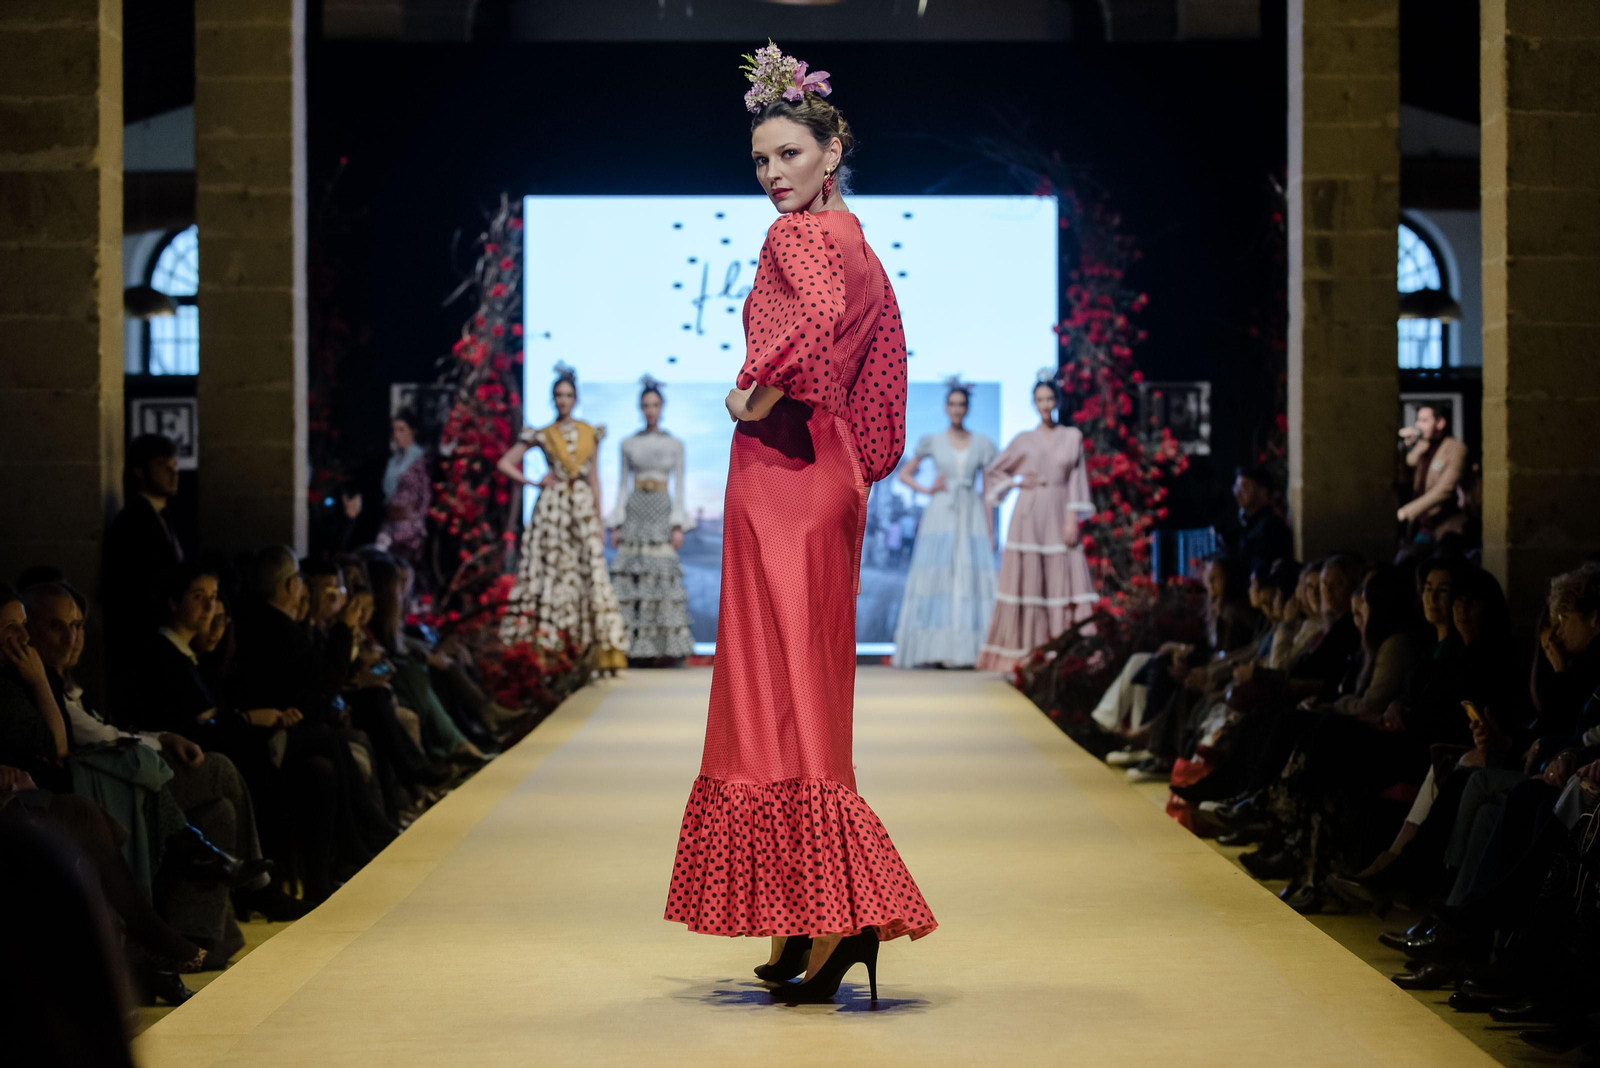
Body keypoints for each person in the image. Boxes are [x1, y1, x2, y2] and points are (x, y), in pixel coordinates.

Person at [663, 45, 935, 1005]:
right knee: (799, 693)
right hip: (826, 478)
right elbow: (886, 373)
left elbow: (811, 327)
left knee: (777, 697)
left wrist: (756, 395)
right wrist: (851, 455)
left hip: (784, 473)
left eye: (789, 154)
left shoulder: (800, 240)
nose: (773, 174)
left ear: (831, 151)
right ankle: (804, 909)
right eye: (760, 161)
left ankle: (836, 917)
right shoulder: (857, 241)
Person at [497, 364, 628, 672]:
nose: (563, 400)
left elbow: (594, 479)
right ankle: (550, 647)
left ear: (575, 398)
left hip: (581, 508)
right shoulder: (543, 433)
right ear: (553, 398)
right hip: (552, 511)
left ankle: (592, 651)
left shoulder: (589, 432)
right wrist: (534, 482)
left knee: (588, 572)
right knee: (551, 573)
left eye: (568, 395)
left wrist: (599, 520)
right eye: (558, 395)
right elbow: (506, 463)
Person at [975, 370, 1097, 671]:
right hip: (1028, 514)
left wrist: (1072, 518)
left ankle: (1064, 653)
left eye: (1049, 398)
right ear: (1033, 403)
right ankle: (1026, 654)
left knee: (1063, 576)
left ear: (1057, 401)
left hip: (1058, 510)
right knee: (1029, 580)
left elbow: (1076, 480)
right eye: (1040, 399)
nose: (1045, 404)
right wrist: (1016, 481)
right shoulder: (1023, 440)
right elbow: (993, 471)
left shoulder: (1071, 437)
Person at [892, 377, 998, 668]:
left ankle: (970, 651)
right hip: (940, 514)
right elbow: (904, 474)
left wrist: (990, 531)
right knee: (938, 575)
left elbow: (989, 490)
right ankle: (935, 649)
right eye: (952, 404)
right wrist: (927, 490)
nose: (956, 409)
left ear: (967, 408)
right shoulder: (934, 441)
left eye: (961, 404)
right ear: (945, 407)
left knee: (968, 576)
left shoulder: (982, 443)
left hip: (971, 513)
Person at [605, 376, 695, 662]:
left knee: (661, 576)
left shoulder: (675, 444)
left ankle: (663, 650)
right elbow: (622, 484)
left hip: (661, 508)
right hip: (635, 509)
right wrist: (618, 522)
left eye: (655, 404)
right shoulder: (628, 443)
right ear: (640, 407)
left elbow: (680, 485)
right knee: (633, 577)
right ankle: (632, 648)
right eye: (646, 405)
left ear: (662, 407)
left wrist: (677, 524)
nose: (650, 409)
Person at [103, 433, 186, 716]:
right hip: (143, 642)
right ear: (140, 471)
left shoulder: (164, 516)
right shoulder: (133, 521)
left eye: (175, 464)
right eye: (163, 465)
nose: (173, 472)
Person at [1398, 402, 1467, 540]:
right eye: (1418, 420)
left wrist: (1407, 511)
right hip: (1422, 524)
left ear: (1440, 422)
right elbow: (1405, 470)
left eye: (1424, 420)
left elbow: (1445, 489)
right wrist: (1404, 446)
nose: (1418, 425)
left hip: (1444, 527)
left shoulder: (1455, 448)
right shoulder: (1423, 446)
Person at [377, 409, 430, 563]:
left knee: (404, 568)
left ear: (412, 431)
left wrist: (418, 525)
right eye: (394, 430)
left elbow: (426, 494)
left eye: (401, 429)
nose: (396, 434)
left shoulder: (420, 459)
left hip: (408, 527)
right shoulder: (393, 461)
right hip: (389, 523)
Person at [1228, 465, 1293, 570]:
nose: (1238, 493)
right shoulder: (1247, 524)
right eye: (1236, 487)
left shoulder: (1272, 526)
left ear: (1264, 491)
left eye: (1245, 487)